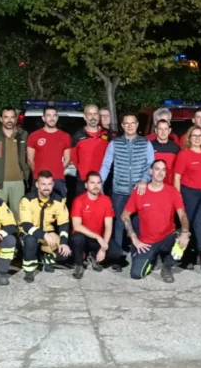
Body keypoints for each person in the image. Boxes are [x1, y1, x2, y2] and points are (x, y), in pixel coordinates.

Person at [121, 160, 189, 283]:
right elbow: (124, 215)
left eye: (163, 170)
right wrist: (134, 239)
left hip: (168, 237)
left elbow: (182, 215)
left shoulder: (172, 192)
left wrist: (185, 232)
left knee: (185, 238)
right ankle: (154, 258)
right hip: (147, 241)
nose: (160, 172)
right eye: (157, 169)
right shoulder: (140, 191)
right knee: (136, 274)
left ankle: (167, 266)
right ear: (151, 172)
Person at [100, 113, 155, 250]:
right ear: (123, 126)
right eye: (127, 123)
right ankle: (118, 254)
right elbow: (106, 165)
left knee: (138, 222)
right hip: (119, 190)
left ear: (136, 125)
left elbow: (151, 165)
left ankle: (138, 251)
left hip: (139, 191)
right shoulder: (115, 143)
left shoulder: (145, 143)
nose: (130, 126)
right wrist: (99, 183)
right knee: (119, 222)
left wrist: (144, 180)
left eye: (132, 123)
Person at [174, 125, 201, 268]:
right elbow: (177, 177)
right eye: (194, 136)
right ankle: (187, 258)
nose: (197, 138)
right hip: (189, 193)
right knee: (190, 224)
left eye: (200, 136)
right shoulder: (184, 154)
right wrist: (177, 197)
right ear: (189, 138)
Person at [19, 171, 71, 283]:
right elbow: (27, 225)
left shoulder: (58, 200)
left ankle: (47, 257)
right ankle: (29, 269)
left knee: (65, 253)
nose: (46, 188)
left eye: (49, 184)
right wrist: (44, 235)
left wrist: (63, 242)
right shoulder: (27, 200)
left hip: (48, 233)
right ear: (37, 184)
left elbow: (64, 223)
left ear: (53, 184)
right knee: (30, 240)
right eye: (43, 184)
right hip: (30, 234)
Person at [69, 171, 123, 278]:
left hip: (97, 239)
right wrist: (98, 237)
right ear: (86, 185)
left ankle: (93, 256)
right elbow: (77, 226)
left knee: (117, 252)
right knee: (77, 238)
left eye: (98, 183)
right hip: (82, 237)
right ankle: (78, 264)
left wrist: (103, 248)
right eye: (92, 183)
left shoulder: (106, 200)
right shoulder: (79, 201)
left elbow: (108, 226)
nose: (95, 186)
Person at [0, 107, 30, 221]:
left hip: (18, 182)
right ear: (1, 119)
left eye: (12, 117)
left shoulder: (23, 135)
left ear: (16, 119)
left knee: (19, 214)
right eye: (6, 117)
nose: (9, 120)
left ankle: (19, 237)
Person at [27, 106, 72, 199]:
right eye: (48, 115)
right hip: (40, 180)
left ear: (57, 117)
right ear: (43, 118)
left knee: (59, 209)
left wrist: (58, 170)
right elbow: (30, 159)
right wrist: (38, 175)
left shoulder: (65, 136)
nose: (52, 118)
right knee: (37, 210)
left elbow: (67, 158)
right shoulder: (34, 136)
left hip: (58, 180)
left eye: (54, 115)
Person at [71, 104, 112, 196]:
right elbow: (74, 157)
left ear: (99, 116)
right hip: (83, 181)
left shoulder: (107, 135)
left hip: (103, 180)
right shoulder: (77, 136)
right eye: (90, 114)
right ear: (85, 117)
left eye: (95, 114)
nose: (93, 117)